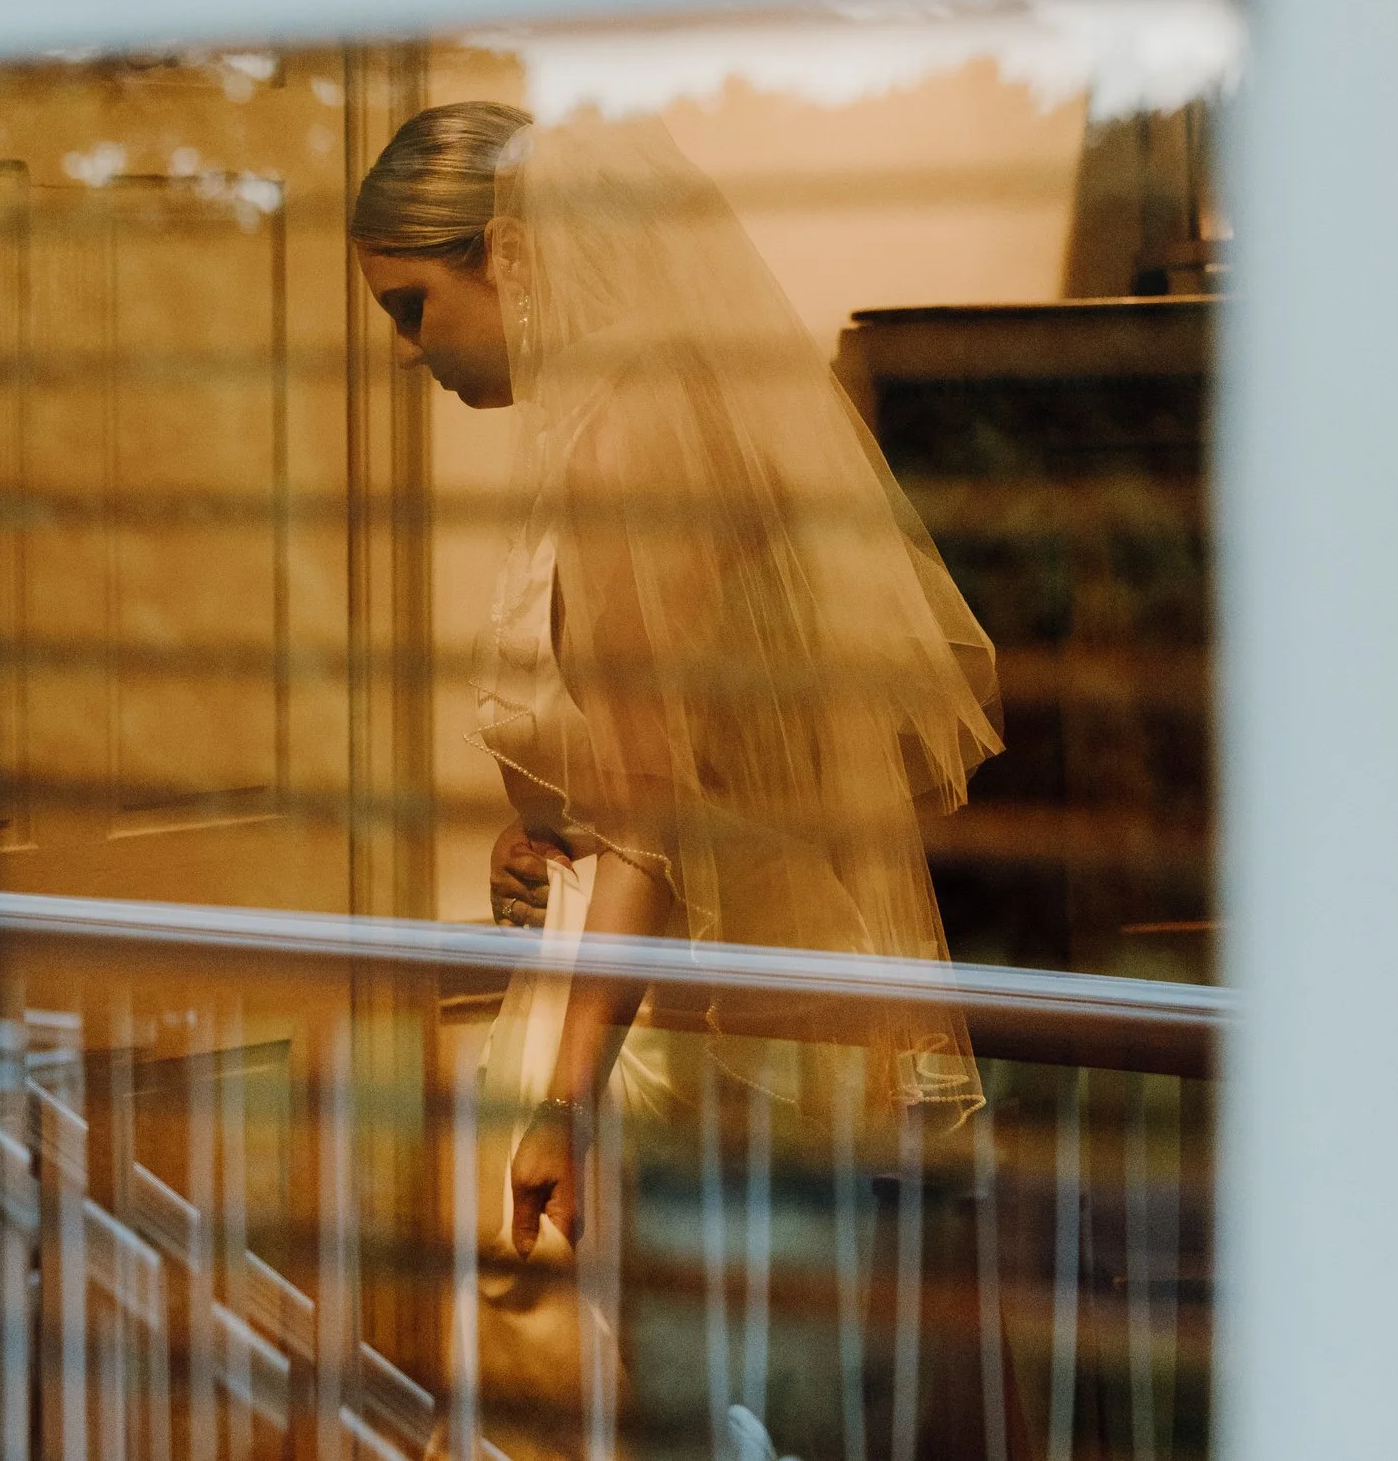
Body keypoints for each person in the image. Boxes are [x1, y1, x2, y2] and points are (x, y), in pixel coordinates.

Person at [352, 103, 1014, 1461]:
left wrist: (567, 1097)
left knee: (652, 1406)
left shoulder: (624, 441)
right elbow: (659, 760)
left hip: (673, 1023)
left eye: (416, 308)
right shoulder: (643, 414)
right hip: (680, 989)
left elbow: (655, 814)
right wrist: (534, 834)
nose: (411, 354)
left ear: (511, 258)